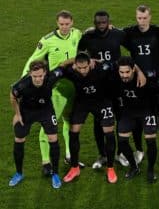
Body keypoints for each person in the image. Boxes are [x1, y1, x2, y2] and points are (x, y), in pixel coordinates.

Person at [21, 10, 83, 175]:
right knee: (49, 125)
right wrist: (23, 82)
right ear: (57, 23)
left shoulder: (77, 34)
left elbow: (88, 40)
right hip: (56, 90)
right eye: (61, 24)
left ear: (72, 23)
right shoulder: (47, 40)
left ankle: (70, 156)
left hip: (74, 88)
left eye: (67, 24)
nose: (64, 27)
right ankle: (46, 161)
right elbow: (33, 59)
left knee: (70, 122)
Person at [78, 10, 129, 168]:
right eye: (98, 23)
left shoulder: (117, 34)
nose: (101, 25)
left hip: (117, 83)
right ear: (94, 22)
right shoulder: (87, 36)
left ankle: (121, 153)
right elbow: (79, 54)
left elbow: (134, 44)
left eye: (104, 22)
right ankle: (103, 155)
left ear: (109, 21)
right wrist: (89, 59)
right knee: (99, 121)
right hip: (98, 84)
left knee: (121, 118)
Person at [61, 53, 117, 184]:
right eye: (79, 68)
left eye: (85, 67)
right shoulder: (71, 71)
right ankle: (74, 168)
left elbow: (118, 64)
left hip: (102, 101)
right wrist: (71, 61)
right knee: (73, 132)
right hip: (82, 103)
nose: (82, 71)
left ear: (90, 64)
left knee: (108, 133)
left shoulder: (100, 68)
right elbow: (60, 66)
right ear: (75, 65)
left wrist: (96, 60)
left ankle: (110, 168)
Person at [9, 61, 62, 189]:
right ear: (30, 73)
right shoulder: (22, 84)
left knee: (53, 138)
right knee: (19, 139)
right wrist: (17, 114)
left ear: (45, 73)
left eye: (40, 76)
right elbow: (12, 96)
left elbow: (63, 66)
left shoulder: (52, 77)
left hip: (45, 110)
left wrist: (76, 63)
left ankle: (55, 174)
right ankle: (19, 173)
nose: (38, 79)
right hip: (27, 111)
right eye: (34, 76)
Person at [123, 5, 159, 165]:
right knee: (138, 116)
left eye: (145, 18)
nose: (142, 21)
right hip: (138, 82)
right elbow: (114, 32)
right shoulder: (130, 32)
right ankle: (139, 149)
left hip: (156, 82)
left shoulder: (158, 32)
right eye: (139, 18)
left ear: (150, 17)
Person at [113, 56, 158, 183]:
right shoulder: (115, 78)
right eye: (121, 72)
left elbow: (156, 94)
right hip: (128, 112)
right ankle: (134, 167)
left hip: (146, 111)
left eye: (127, 72)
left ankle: (150, 170)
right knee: (122, 141)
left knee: (150, 141)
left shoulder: (145, 79)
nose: (124, 75)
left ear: (133, 69)